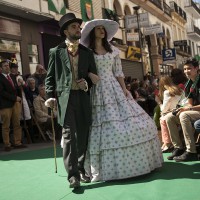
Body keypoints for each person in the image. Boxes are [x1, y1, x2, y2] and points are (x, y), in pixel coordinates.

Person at [80, 19, 163, 182]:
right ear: (92, 32)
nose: (102, 31)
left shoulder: (113, 50)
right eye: (98, 29)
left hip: (114, 88)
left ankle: (133, 163)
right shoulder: (87, 51)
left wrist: (124, 89)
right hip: (96, 89)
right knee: (99, 125)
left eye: (103, 28)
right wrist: (89, 75)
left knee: (137, 124)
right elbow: (82, 70)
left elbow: (118, 72)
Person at [44, 13, 98, 188]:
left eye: (79, 27)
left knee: (82, 135)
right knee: (68, 137)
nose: (78, 29)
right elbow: (50, 77)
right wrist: (50, 96)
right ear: (65, 31)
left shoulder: (87, 52)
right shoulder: (55, 52)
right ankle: (72, 175)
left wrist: (87, 83)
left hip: (82, 97)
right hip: (65, 100)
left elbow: (94, 75)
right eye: (74, 27)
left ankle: (81, 168)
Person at [165, 58, 200, 162]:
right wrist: (182, 108)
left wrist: (188, 108)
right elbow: (189, 103)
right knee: (170, 117)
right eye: (184, 69)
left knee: (184, 115)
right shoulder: (189, 83)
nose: (186, 71)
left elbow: (190, 106)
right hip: (196, 111)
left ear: (196, 68)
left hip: (196, 111)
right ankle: (178, 148)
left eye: (189, 68)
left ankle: (191, 151)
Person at [0, 60, 27, 151]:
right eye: (4, 66)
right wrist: (15, 98)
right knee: (6, 125)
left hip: (16, 104)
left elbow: (15, 89)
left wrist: (19, 94)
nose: (7, 67)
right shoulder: (0, 78)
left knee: (17, 124)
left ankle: (17, 142)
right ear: (1, 68)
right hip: (5, 105)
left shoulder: (12, 76)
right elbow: (2, 92)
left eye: (7, 65)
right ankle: (7, 145)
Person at [155, 76, 185, 153]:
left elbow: (164, 109)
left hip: (172, 114)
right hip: (180, 111)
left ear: (161, 84)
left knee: (162, 119)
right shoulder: (180, 90)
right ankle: (166, 143)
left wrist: (158, 102)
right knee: (163, 117)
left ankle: (167, 143)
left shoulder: (167, 92)